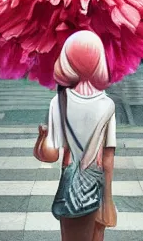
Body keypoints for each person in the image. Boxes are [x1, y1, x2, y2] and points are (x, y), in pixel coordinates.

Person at [34, 31, 117, 241]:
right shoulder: (108, 105)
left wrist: (41, 137)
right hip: (96, 185)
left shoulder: (58, 102)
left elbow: (50, 155)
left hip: (72, 185)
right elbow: (108, 159)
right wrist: (107, 201)